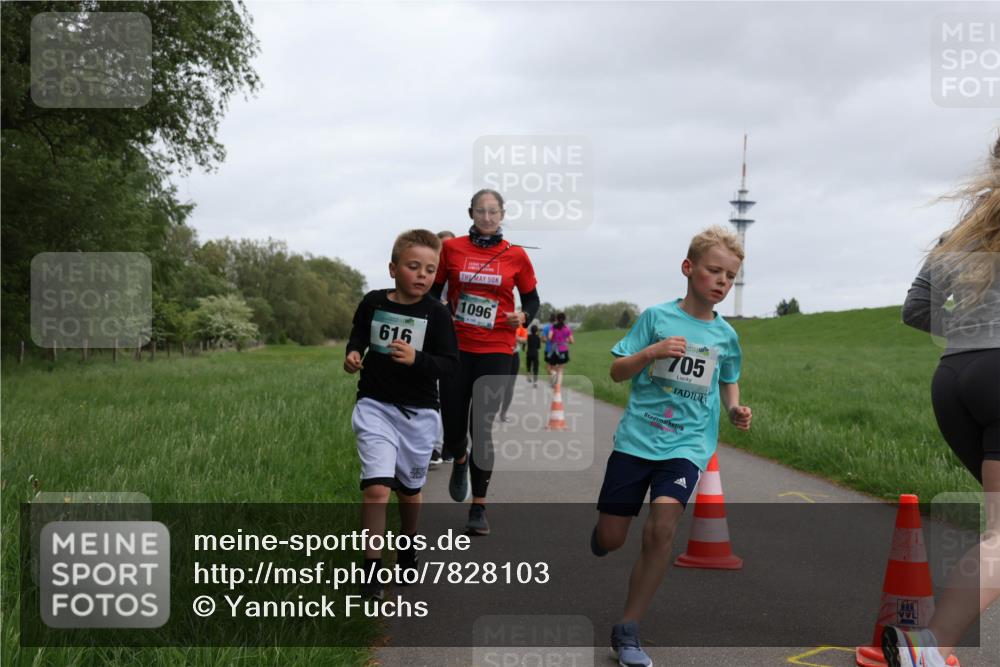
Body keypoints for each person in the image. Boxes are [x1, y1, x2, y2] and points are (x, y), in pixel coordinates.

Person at [590, 226, 752, 667]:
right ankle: (603, 536)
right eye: (713, 270)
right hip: (637, 440)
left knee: (662, 528)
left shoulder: (726, 336)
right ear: (688, 268)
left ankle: (628, 629)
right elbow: (617, 373)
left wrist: (735, 408)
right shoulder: (655, 318)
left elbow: (729, 376)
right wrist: (652, 352)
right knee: (612, 536)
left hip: (688, 445)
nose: (721, 281)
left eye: (730, 276)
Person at [883, 137, 1000, 667]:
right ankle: (927, 647)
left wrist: (973, 332)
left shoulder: (961, 230)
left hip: (952, 376)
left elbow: (915, 309)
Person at [344, 229, 459, 599]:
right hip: (375, 405)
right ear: (393, 269)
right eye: (414, 266)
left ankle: (407, 545)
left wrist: (417, 359)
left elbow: (449, 365)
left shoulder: (437, 315)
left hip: (420, 414)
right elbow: (359, 333)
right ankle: (372, 570)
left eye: (430, 268)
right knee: (377, 489)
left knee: (409, 492)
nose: (423, 275)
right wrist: (353, 353)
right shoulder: (374, 301)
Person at [430, 189, 540, 536]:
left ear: (502, 214)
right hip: (456, 347)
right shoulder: (451, 249)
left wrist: (522, 316)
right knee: (452, 426)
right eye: (481, 211)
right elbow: (434, 293)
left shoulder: (517, 256)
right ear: (471, 213)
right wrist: (440, 315)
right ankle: (459, 459)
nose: (488, 218)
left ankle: (479, 506)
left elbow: (533, 301)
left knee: (482, 425)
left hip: (496, 346)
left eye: (494, 212)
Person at [429, 229, 458, 469]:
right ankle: (435, 447)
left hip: (462, 341)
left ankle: (453, 445)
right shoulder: (430, 274)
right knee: (437, 393)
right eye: (441, 248)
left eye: (450, 246)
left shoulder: (461, 274)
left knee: (456, 397)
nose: (445, 251)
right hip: (436, 340)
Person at [499, 321, 529, 422]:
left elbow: (525, 339)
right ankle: (489, 410)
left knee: (510, 385)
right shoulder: (502, 321)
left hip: (513, 356)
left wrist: (516, 338)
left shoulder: (520, 325)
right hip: (500, 355)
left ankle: (503, 412)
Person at [546, 312, 574, 387]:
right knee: (560, 369)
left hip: (554, 350)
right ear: (564, 319)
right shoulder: (567, 328)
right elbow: (572, 341)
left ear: (557, 319)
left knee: (552, 367)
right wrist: (565, 340)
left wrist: (554, 340)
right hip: (563, 350)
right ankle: (558, 387)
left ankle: (554, 375)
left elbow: (549, 337)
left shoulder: (553, 327)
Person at [542, 313, 556, 383]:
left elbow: (544, 339)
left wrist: (545, 340)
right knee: (553, 365)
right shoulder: (557, 327)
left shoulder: (546, 327)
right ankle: (552, 380)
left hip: (548, 349)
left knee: (548, 365)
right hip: (557, 349)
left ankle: (551, 378)